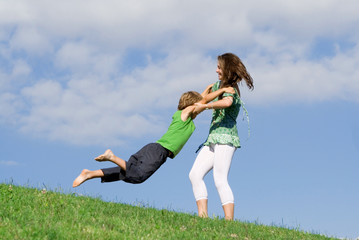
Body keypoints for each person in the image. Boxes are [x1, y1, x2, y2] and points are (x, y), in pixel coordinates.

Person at [73, 87, 235, 187]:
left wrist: (213, 86)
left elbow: (203, 95)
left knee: (127, 172)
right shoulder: (184, 115)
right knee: (138, 176)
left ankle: (89, 174)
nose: (200, 109)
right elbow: (203, 101)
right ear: (192, 105)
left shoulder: (181, 116)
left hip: (152, 148)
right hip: (159, 151)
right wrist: (222, 91)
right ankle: (111, 156)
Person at [189, 53, 254, 220]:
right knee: (194, 174)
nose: (216, 70)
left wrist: (207, 106)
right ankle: (203, 217)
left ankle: (229, 221)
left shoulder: (231, 89)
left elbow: (227, 103)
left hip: (226, 138)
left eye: (219, 67)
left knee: (219, 178)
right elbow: (202, 99)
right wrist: (203, 98)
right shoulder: (217, 85)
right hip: (213, 138)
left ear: (227, 69)